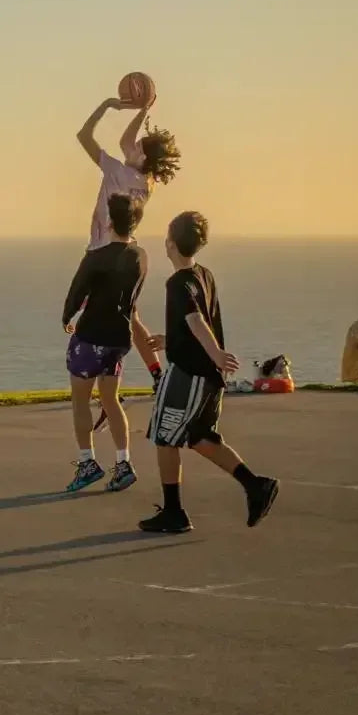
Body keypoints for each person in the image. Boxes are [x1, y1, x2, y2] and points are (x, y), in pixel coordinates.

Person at [140, 211, 280, 534]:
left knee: (164, 436)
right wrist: (169, 339)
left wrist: (215, 353)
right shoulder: (205, 275)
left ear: (171, 244)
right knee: (201, 437)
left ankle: (174, 512)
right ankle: (256, 486)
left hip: (188, 376)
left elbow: (195, 321)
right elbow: (193, 322)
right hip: (210, 379)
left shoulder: (177, 283)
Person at [76, 96, 180, 392]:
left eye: (138, 148)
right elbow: (126, 141)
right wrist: (143, 110)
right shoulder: (147, 181)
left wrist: (107, 105)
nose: (131, 146)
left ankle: (105, 388)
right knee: (131, 319)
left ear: (144, 158)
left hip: (101, 254)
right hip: (128, 254)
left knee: (96, 322)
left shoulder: (117, 172)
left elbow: (83, 136)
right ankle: (158, 375)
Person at [61, 193, 155, 494]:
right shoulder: (140, 257)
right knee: (110, 399)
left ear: (109, 221)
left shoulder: (96, 258)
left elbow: (77, 291)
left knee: (80, 400)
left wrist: (67, 316)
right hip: (119, 338)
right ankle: (123, 462)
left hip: (91, 337)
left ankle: (87, 462)